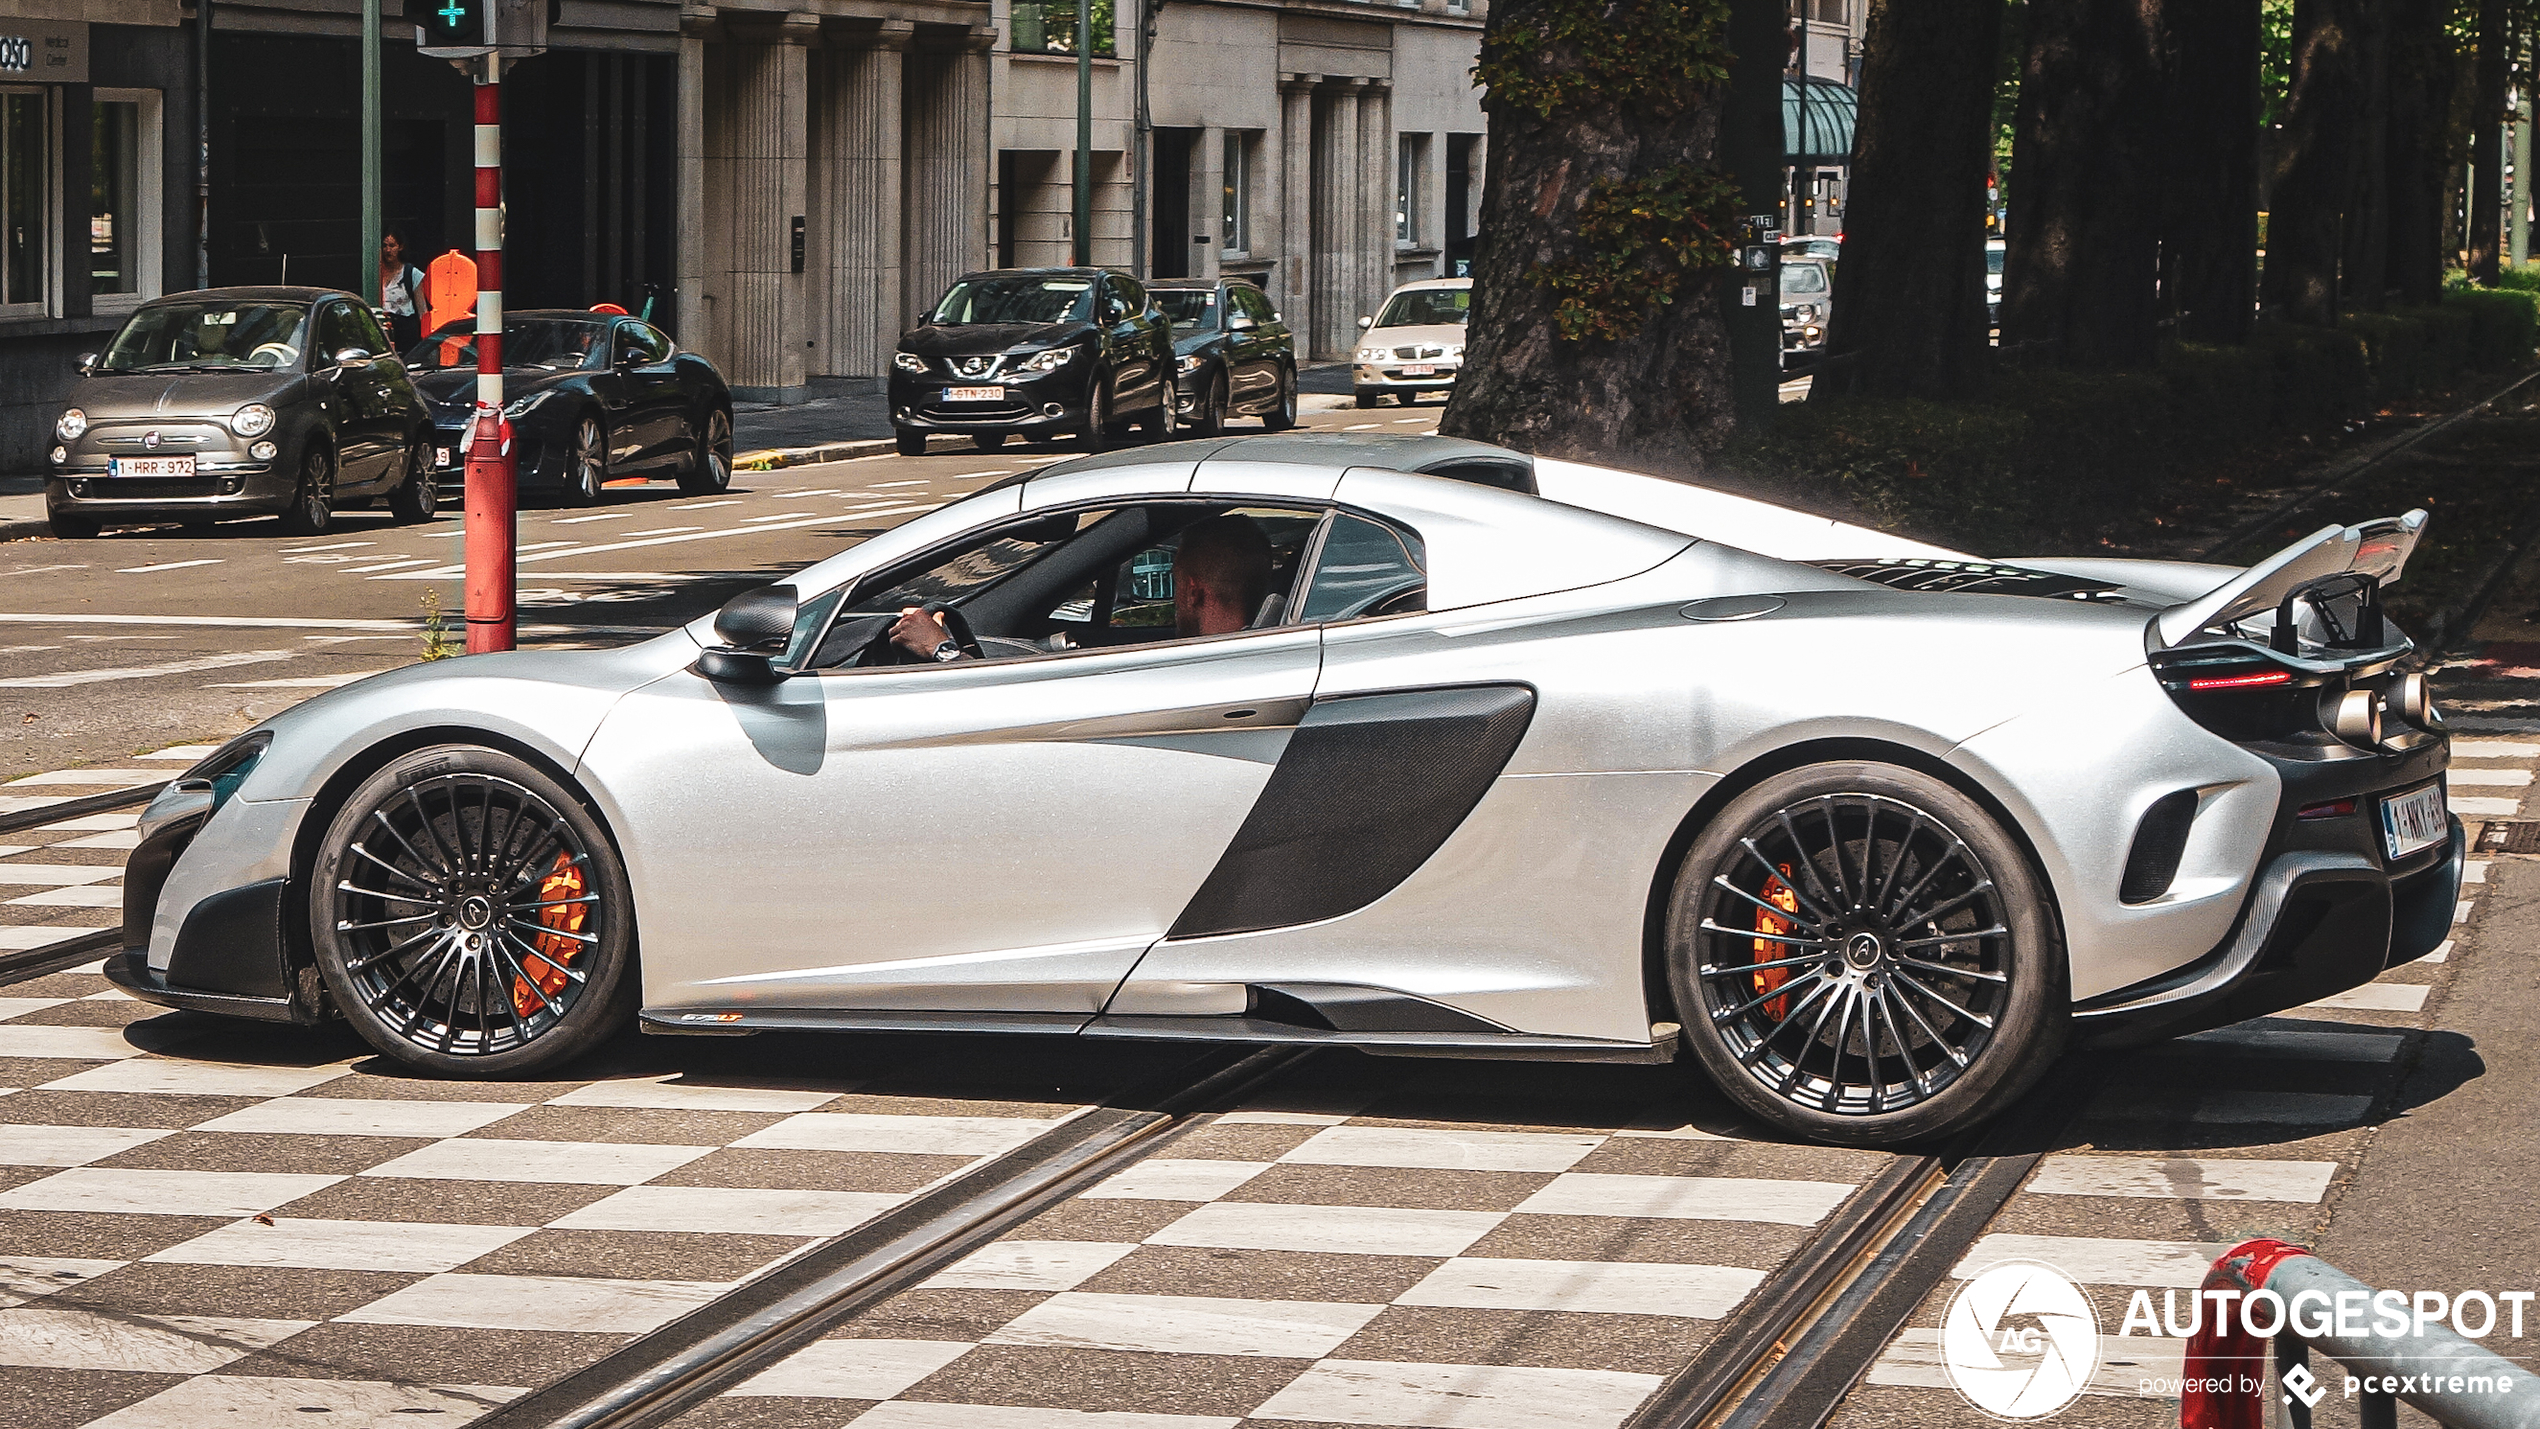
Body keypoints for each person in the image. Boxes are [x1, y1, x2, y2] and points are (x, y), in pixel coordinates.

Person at [888, 513, 1273, 662]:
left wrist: (942, 649)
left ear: (1192, 591)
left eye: (1172, 580)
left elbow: (1011, 708)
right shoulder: (1246, 655)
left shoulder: (1207, 667)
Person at [378, 227, 427, 349]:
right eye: (384, 246)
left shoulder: (411, 273)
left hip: (406, 330)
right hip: (383, 329)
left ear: (400, 247)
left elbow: (422, 309)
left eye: (392, 246)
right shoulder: (376, 273)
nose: (388, 250)